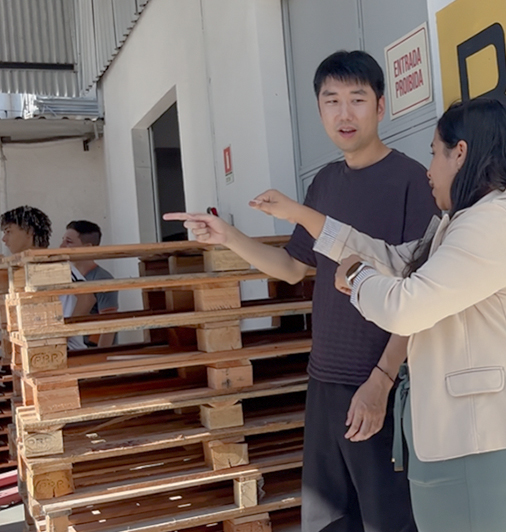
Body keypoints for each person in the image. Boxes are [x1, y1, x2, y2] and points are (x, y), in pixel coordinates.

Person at [249, 98, 506, 532]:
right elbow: (394, 259)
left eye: (434, 152)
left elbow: (406, 307)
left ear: (460, 153)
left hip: (488, 449)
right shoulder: (463, 224)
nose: (429, 170)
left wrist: (356, 277)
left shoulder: (495, 227)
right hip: (465, 447)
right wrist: (304, 217)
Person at [166, 50, 438, 532]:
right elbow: (292, 268)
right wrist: (228, 236)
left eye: (357, 99)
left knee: (390, 521)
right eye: (331, 101)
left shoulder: (412, 181)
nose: (344, 113)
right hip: (325, 381)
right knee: (328, 519)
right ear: (319, 110)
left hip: (384, 385)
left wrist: (381, 383)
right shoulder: (325, 183)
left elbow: (422, 296)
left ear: (381, 106)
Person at [0, 206, 91, 351]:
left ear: (29, 232)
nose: (4, 239)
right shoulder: (24, 267)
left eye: (8, 232)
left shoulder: (55, 263)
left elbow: (87, 298)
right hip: (35, 351)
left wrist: (63, 335)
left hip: (65, 352)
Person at [60, 220, 118, 347]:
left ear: (88, 247)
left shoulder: (102, 279)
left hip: (90, 348)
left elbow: (109, 325)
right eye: (63, 240)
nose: (61, 246)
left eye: (69, 242)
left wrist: (100, 355)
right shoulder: (65, 275)